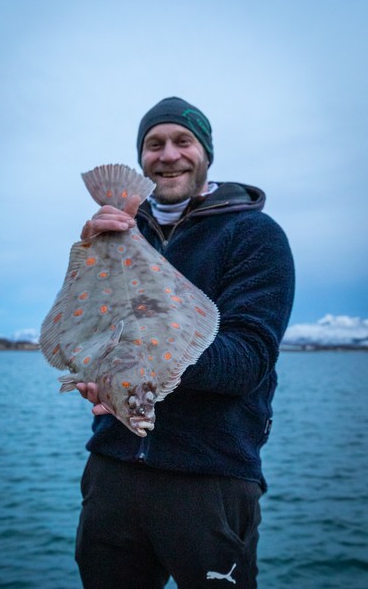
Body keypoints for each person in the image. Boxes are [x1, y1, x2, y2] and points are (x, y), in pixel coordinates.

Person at [74, 97, 295, 588]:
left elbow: (247, 361)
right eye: (154, 144)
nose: (168, 155)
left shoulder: (255, 235)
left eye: (183, 141)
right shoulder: (117, 232)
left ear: (206, 153)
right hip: (111, 469)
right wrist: (89, 262)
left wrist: (139, 361)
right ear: (140, 158)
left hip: (210, 476)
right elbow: (93, 334)